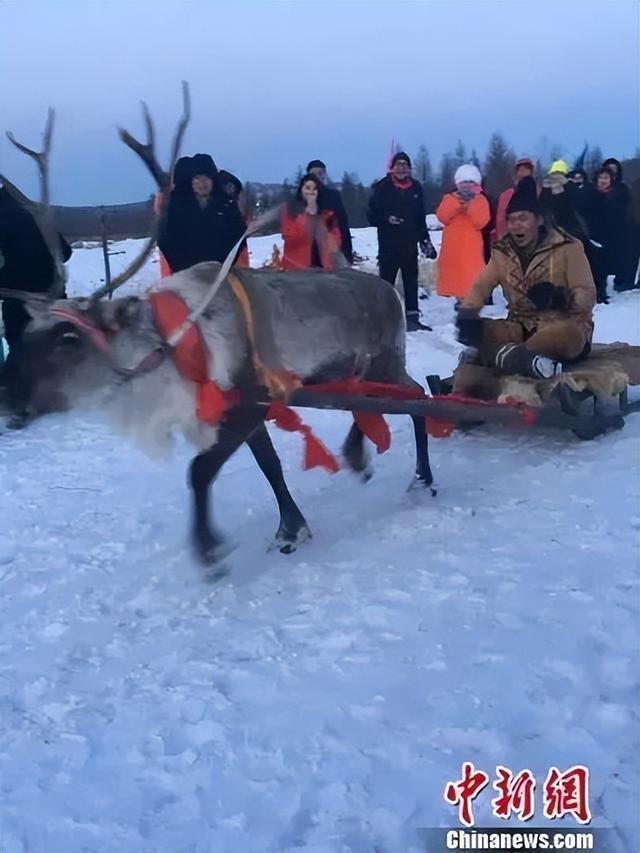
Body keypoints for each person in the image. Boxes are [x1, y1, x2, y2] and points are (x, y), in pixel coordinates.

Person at [455, 176, 596, 381]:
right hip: (519, 327)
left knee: (562, 334)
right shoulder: (502, 252)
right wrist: (468, 313)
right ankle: (520, 359)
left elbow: (587, 293)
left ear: (538, 220)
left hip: (565, 325)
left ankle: (500, 357)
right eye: (511, 220)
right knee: (482, 331)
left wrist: (560, 298)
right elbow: (481, 285)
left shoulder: (568, 247)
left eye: (522, 219)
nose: (516, 226)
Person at [0, 186, 73, 422]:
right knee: (53, 343)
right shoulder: (38, 215)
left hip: (19, 296)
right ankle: (57, 396)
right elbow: (66, 251)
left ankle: (18, 404)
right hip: (53, 292)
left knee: (20, 345)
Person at [367, 152, 437, 332]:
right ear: (392, 167)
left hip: (409, 242)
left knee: (411, 280)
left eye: (405, 165)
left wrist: (425, 240)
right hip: (388, 243)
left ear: (409, 168)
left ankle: (412, 317)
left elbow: (420, 216)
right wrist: (387, 219)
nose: (402, 168)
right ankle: (385, 319)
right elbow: (371, 215)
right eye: (398, 164)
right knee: (387, 283)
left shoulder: (415, 188)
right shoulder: (383, 187)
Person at [157, 154, 247, 274]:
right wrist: (184, 268)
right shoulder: (175, 207)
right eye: (197, 179)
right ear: (190, 182)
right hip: (185, 272)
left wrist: (223, 265)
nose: (202, 184)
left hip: (224, 271)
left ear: (213, 180)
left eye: (206, 178)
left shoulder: (227, 204)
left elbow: (237, 234)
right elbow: (165, 239)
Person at [436, 164, 490, 300]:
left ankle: (470, 304)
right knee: (455, 279)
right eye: (464, 182)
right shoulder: (449, 198)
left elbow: (482, 221)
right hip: (452, 248)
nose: (467, 185)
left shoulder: (481, 200)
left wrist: (468, 208)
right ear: (458, 183)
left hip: (471, 249)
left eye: (471, 182)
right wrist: (457, 206)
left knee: (472, 277)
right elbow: (442, 216)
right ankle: (460, 301)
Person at [280, 173, 342, 271]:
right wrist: (307, 216)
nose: (311, 192)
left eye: (314, 189)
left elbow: (335, 239)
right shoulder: (290, 209)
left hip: (322, 268)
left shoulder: (327, 212)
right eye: (308, 188)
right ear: (301, 190)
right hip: (296, 268)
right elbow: (290, 236)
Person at [306, 159, 353, 264]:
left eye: (320, 173)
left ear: (324, 175)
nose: (317, 177)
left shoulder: (333, 196)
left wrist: (347, 254)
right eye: (313, 174)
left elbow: (343, 225)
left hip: (330, 253)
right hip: (307, 254)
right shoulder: (301, 198)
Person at [495, 157, 535, 240]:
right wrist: (502, 235)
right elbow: (501, 216)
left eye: (527, 170)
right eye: (521, 170)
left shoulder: (538, 191)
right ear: (516, 173)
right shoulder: (508, 194)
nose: (524, 173)